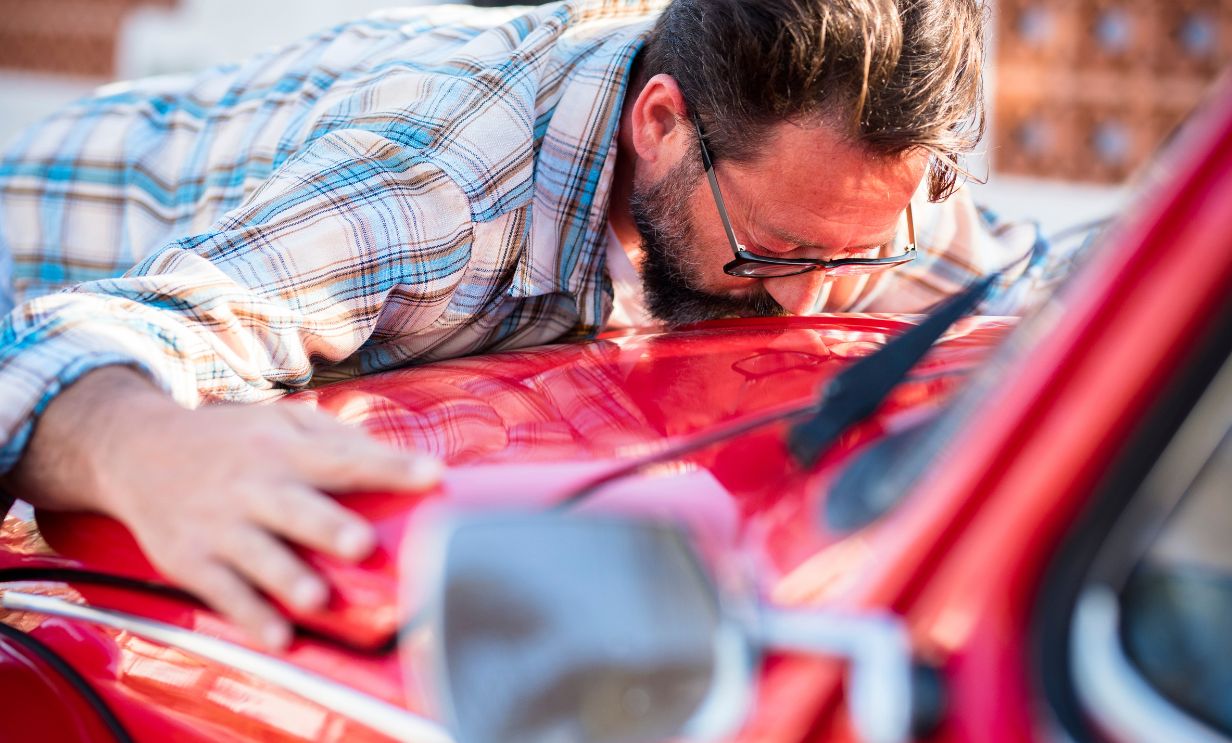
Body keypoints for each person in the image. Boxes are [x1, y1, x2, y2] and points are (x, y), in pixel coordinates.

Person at [0, 0, 1040, 648]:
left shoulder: (836, 172)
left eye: (849, 255)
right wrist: (145, 446)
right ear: (659, 124)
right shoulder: (438, 191)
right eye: (772, 253)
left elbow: (1027, 287)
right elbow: (55, 351)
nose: (810, 299)